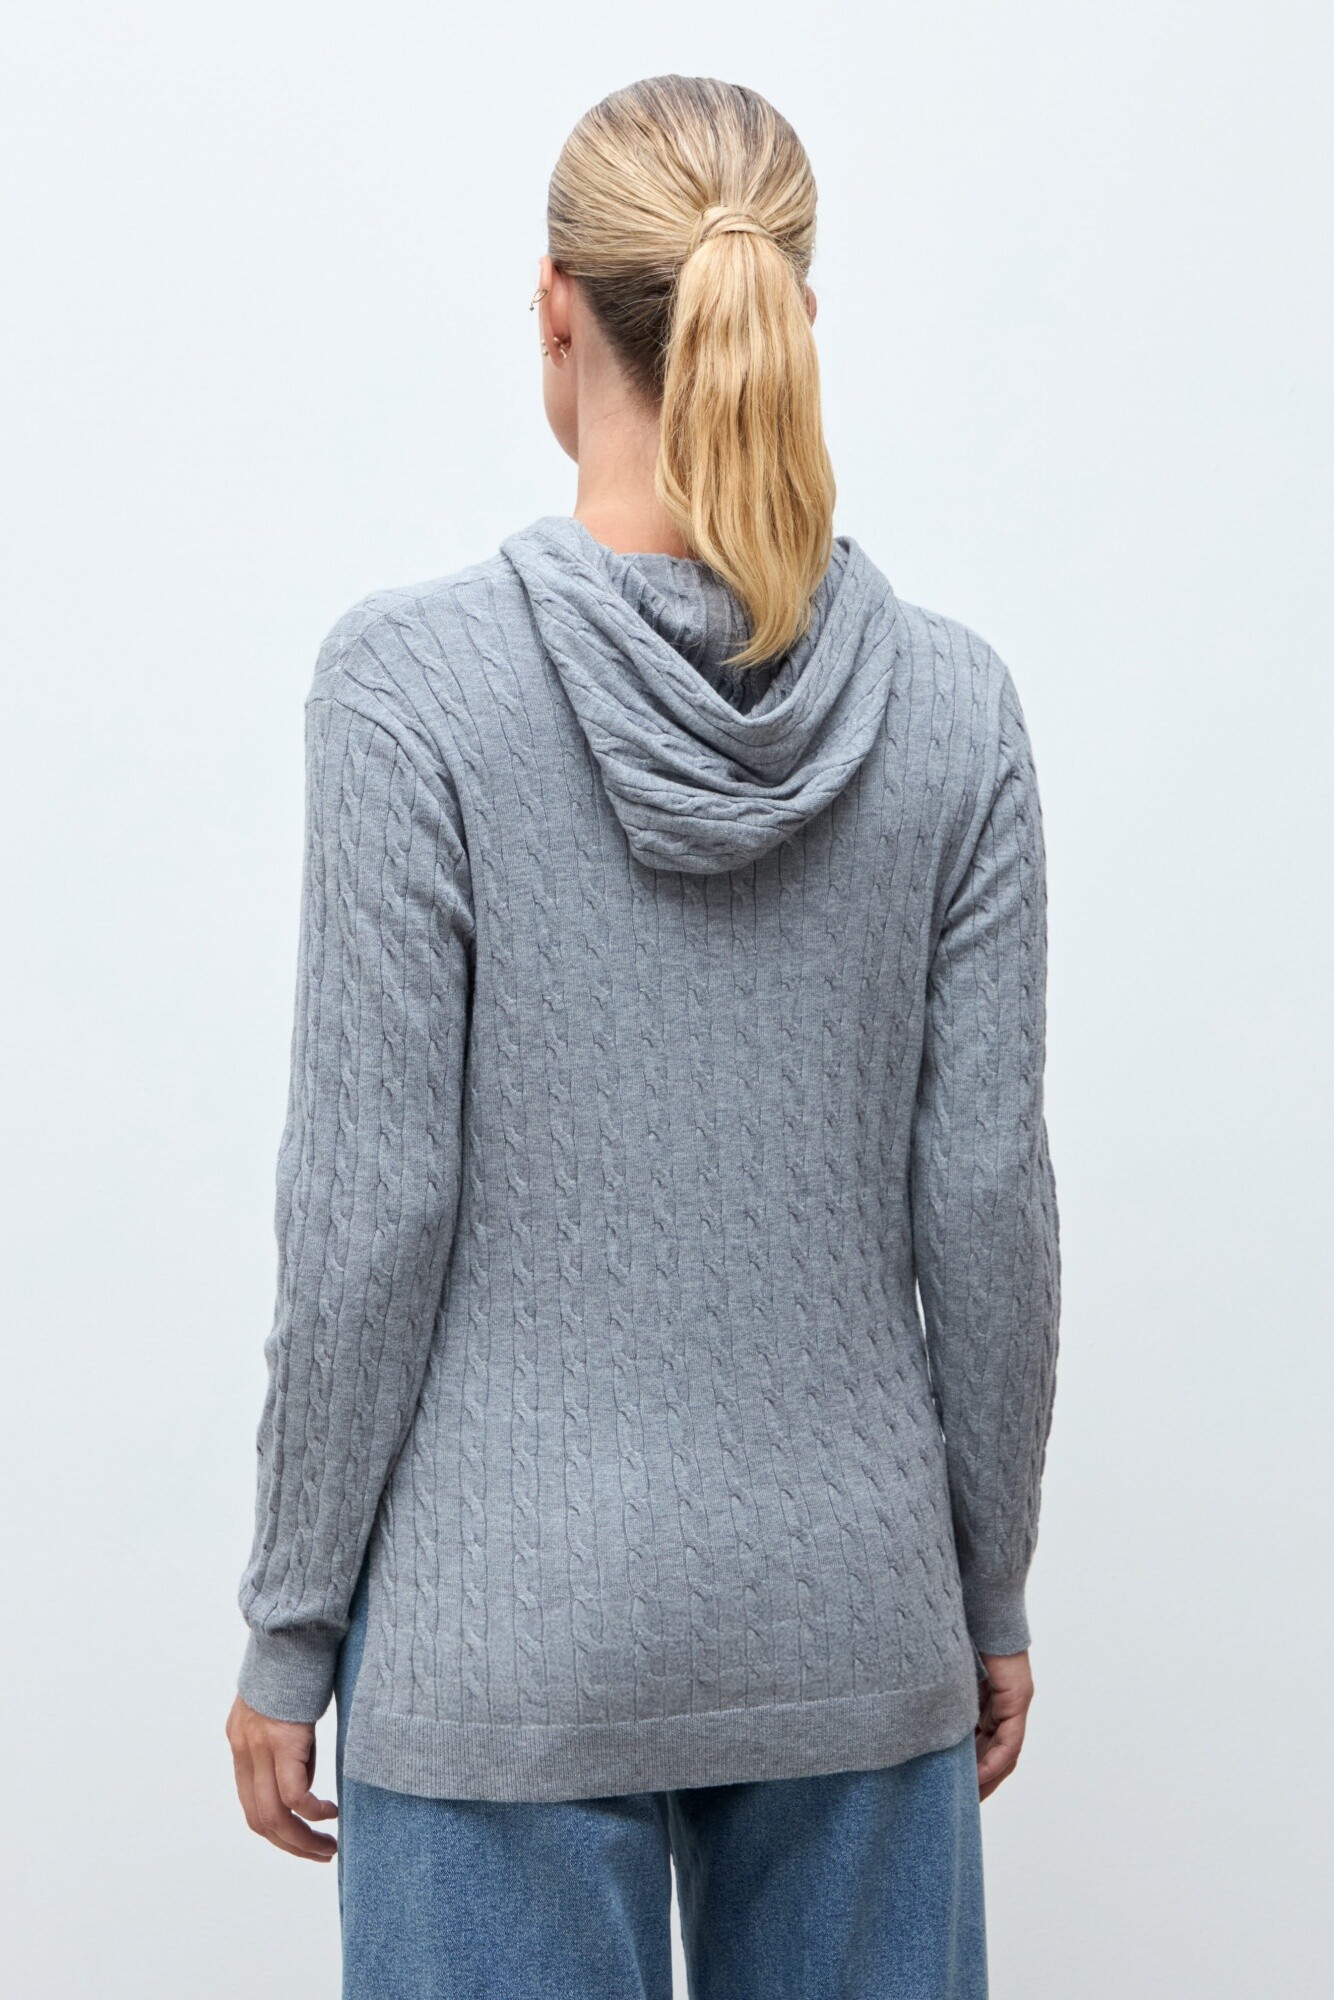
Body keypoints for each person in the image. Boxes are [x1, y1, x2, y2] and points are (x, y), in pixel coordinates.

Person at [226, 72, 1061, 2000]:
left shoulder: (411, 692)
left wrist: (291, 1622)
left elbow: (368, 1209)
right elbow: (986, 1205)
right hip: (854, 1616)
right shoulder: (952, 710)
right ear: (797, 312)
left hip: (498, 1635)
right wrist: (985, 1588)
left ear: (553, 306)